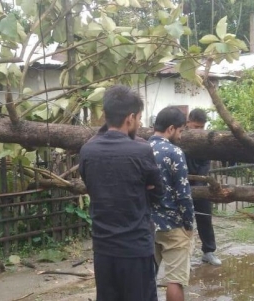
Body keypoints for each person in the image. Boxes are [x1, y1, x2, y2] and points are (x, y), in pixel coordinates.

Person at [79, 85, 163, 301]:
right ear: (131, 117)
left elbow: (91, 186)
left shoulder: (88, 150)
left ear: (105, 115)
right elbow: (157, 193)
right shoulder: (142, 150)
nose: (139, 123)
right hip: (135, 247)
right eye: (139, 118)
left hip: (103, 247)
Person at [148, 106, 194, 301]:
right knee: (175, 280)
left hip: (146, 223)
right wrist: (189, 223)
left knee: (147, 277)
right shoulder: (174, 152)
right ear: (171, 128)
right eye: (181, 131)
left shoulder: (140, 148)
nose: (181, 136)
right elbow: (183, 193)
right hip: (173, 224)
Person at [185, 108, 221, 266]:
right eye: (195, 127)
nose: (199, 131)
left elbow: (205, 164)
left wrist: (199, 185)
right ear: (188, 123)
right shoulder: (180, 137)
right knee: (183, 221)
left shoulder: (206, 140)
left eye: (201, 127)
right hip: (181, 184)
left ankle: (209, 251)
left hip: (200, 183)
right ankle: (183, 256)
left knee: (205, 218)